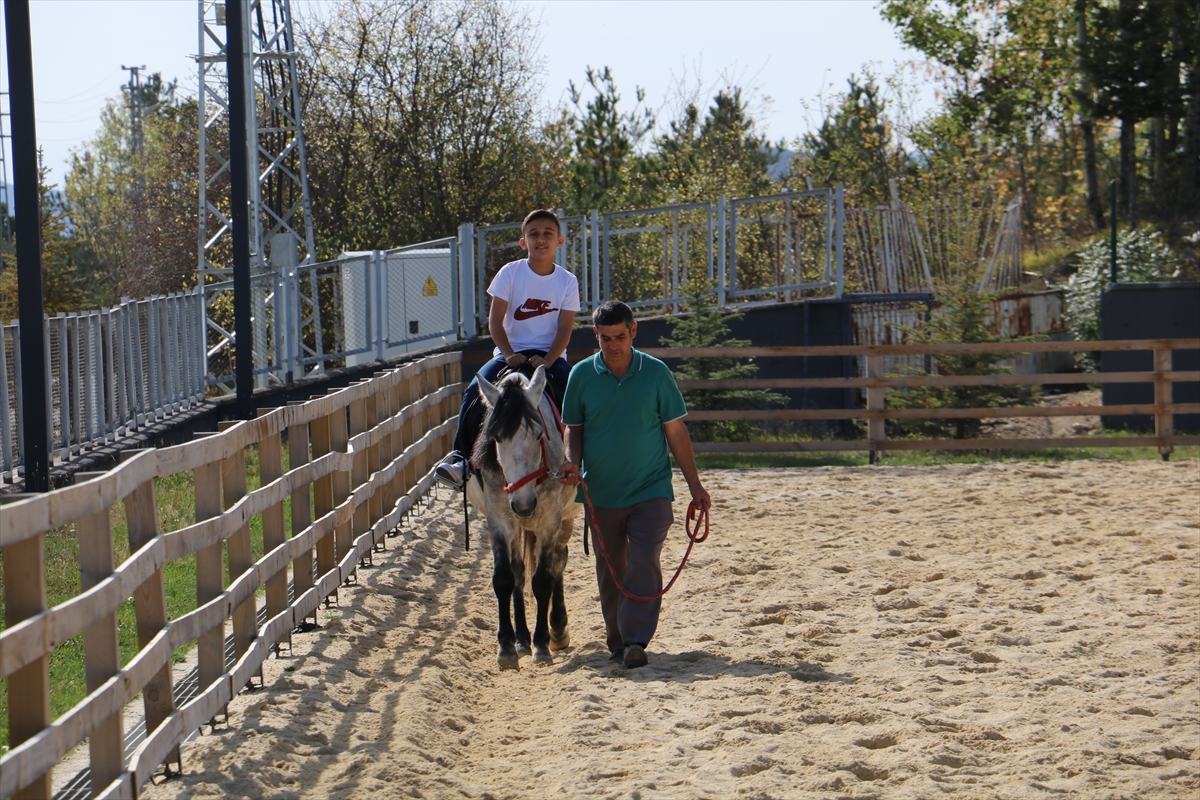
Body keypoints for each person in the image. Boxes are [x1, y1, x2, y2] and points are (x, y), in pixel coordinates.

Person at [558, 300, 711, 669]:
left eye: (620, 337)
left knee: (643, 561)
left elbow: (675, 430)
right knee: (611, 569)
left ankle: (635, 640)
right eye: (605, 338)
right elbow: (573, 430)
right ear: (595, 335)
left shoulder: (656, 373)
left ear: (634, 331)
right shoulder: (580, 375)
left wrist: (695, 485)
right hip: (602, 492)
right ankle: (618, 642)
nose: (613, 345)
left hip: (651, 489)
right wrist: (571, 462)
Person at [435, 209, 579, 488]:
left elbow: (564, 329)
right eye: (533, 234)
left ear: (559, 241)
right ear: (523, 242)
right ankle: (459, 459)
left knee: (577, 393)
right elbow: (495, 322)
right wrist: (509, 353)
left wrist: (548, 360)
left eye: (548, 234)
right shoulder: (510, 273)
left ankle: (583, 461)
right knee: (474, 392)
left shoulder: (567, 281)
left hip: (550, 357)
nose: (541, 239)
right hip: (509, 354)